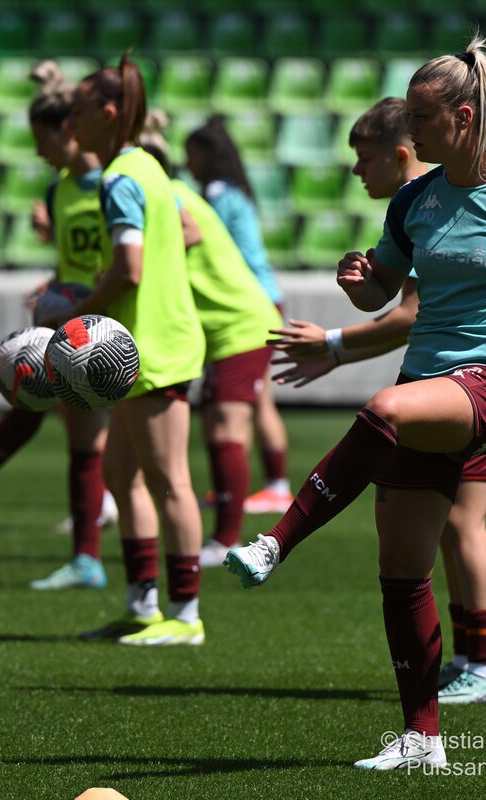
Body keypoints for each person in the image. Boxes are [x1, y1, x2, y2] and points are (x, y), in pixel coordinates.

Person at [224, 36, 486, 769]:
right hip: (429, 380)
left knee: (385, 410)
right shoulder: (415, 199)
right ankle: (421, 739)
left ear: (463, 118)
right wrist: (360, 285)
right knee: (403, 572)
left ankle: (276, 542)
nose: (410, 128)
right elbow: (386, 291)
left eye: (420, 116)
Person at [270, 96, 486, 705]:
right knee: (438, 523)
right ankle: (467, 660)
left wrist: (334, 345)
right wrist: (339, 344)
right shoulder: (421, 201)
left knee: (462, 519)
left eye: (364, 157)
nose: (356, 170)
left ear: (401, 154)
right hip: (463, 379)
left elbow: (411, 315)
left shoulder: (438, 197)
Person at [0, 60, 114, 591]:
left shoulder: (115, 182)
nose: (38, 152)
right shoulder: (61, 189)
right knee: (41, 396)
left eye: (42, 140)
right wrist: (55, 285)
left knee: (90, 436)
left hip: (108, 322)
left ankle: (108, 560)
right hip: (70, 317)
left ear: (69, 131)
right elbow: (75, 258)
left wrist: (83, 296)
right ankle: (87, 557)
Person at [52, 55, 207, 646]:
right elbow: (185, 233)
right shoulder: (144, 166)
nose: (71, 123)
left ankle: (186, 616)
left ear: (110, 113)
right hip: (148, 341)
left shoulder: (121, 177)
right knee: (120, 473)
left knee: (170, 482)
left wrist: (73, 313)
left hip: (153, 345)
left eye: (78, 111)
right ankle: (143, 605)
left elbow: (129, 269)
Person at [138, 115, 284, 571]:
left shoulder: (167, 195)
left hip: (238, 324)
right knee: (222, 427)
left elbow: (190, 233)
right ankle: (233, 524)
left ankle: (225, 538)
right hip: (234, 323)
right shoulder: (181, 192)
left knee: (226, 428)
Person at [184, 117, 293, 515]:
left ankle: (264, 487)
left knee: (245, 403)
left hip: (248, 300)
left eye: (192, 155)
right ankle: (258, 485)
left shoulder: (216, 195)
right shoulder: (236, 191)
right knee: (257, 400)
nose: (188, 164)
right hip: (265, 297)